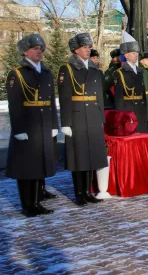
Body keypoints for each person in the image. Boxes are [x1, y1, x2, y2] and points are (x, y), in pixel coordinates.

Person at [5, 34, 58, 217]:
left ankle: (36, 202)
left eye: (41, 48)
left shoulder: (46, 72)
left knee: (38, 166)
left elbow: (51, 101)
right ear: (25, 51)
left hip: (43, 125)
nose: (39, 52)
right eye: (36, 48)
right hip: (27, 125)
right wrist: (18, 129)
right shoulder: (17, 73)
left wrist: (53, 124)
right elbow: (15, 104)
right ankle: (27, 205)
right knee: (26, 167)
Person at [58, 33, 107, 206]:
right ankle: (79, 193)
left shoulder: (94, 68)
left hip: (93, 115)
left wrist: (101, 117)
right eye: (85, 47)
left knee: (91, 155)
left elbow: (99, 94)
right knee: (79, 157)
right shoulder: (68, 69)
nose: (88, 50)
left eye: (88, 47)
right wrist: (65, 123)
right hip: (77, 115)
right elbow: (64, 98)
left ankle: (88, 191)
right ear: (76, 50)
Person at [112, 31, 148, 133]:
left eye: (137, 53)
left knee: (141, 134)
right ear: (126, 55)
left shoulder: (140, 71)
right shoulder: (119, 73)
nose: (136, 55)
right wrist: (121, 115)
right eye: (133, 53)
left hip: (140, 108)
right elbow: (119, 97)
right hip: (129, 109)